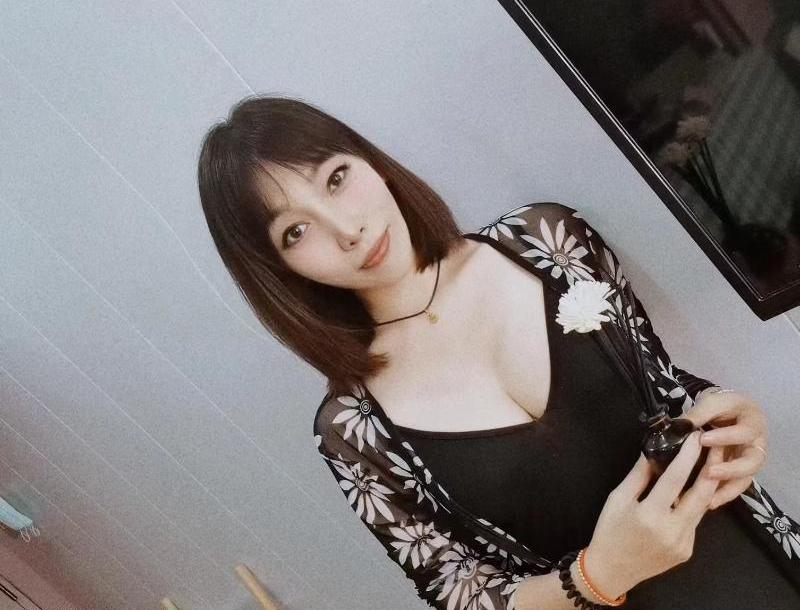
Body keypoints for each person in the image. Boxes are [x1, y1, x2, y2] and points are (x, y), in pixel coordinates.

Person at [197, 94, 800, 609]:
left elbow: (661, 385)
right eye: (295, 231)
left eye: (336, 178)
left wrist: (731, 414)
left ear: (370, 162)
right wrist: (600, 574)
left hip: (763, 563)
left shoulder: (547, 241)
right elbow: (461, 593)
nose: (346, 228)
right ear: (277, 268)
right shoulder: (354, 430)